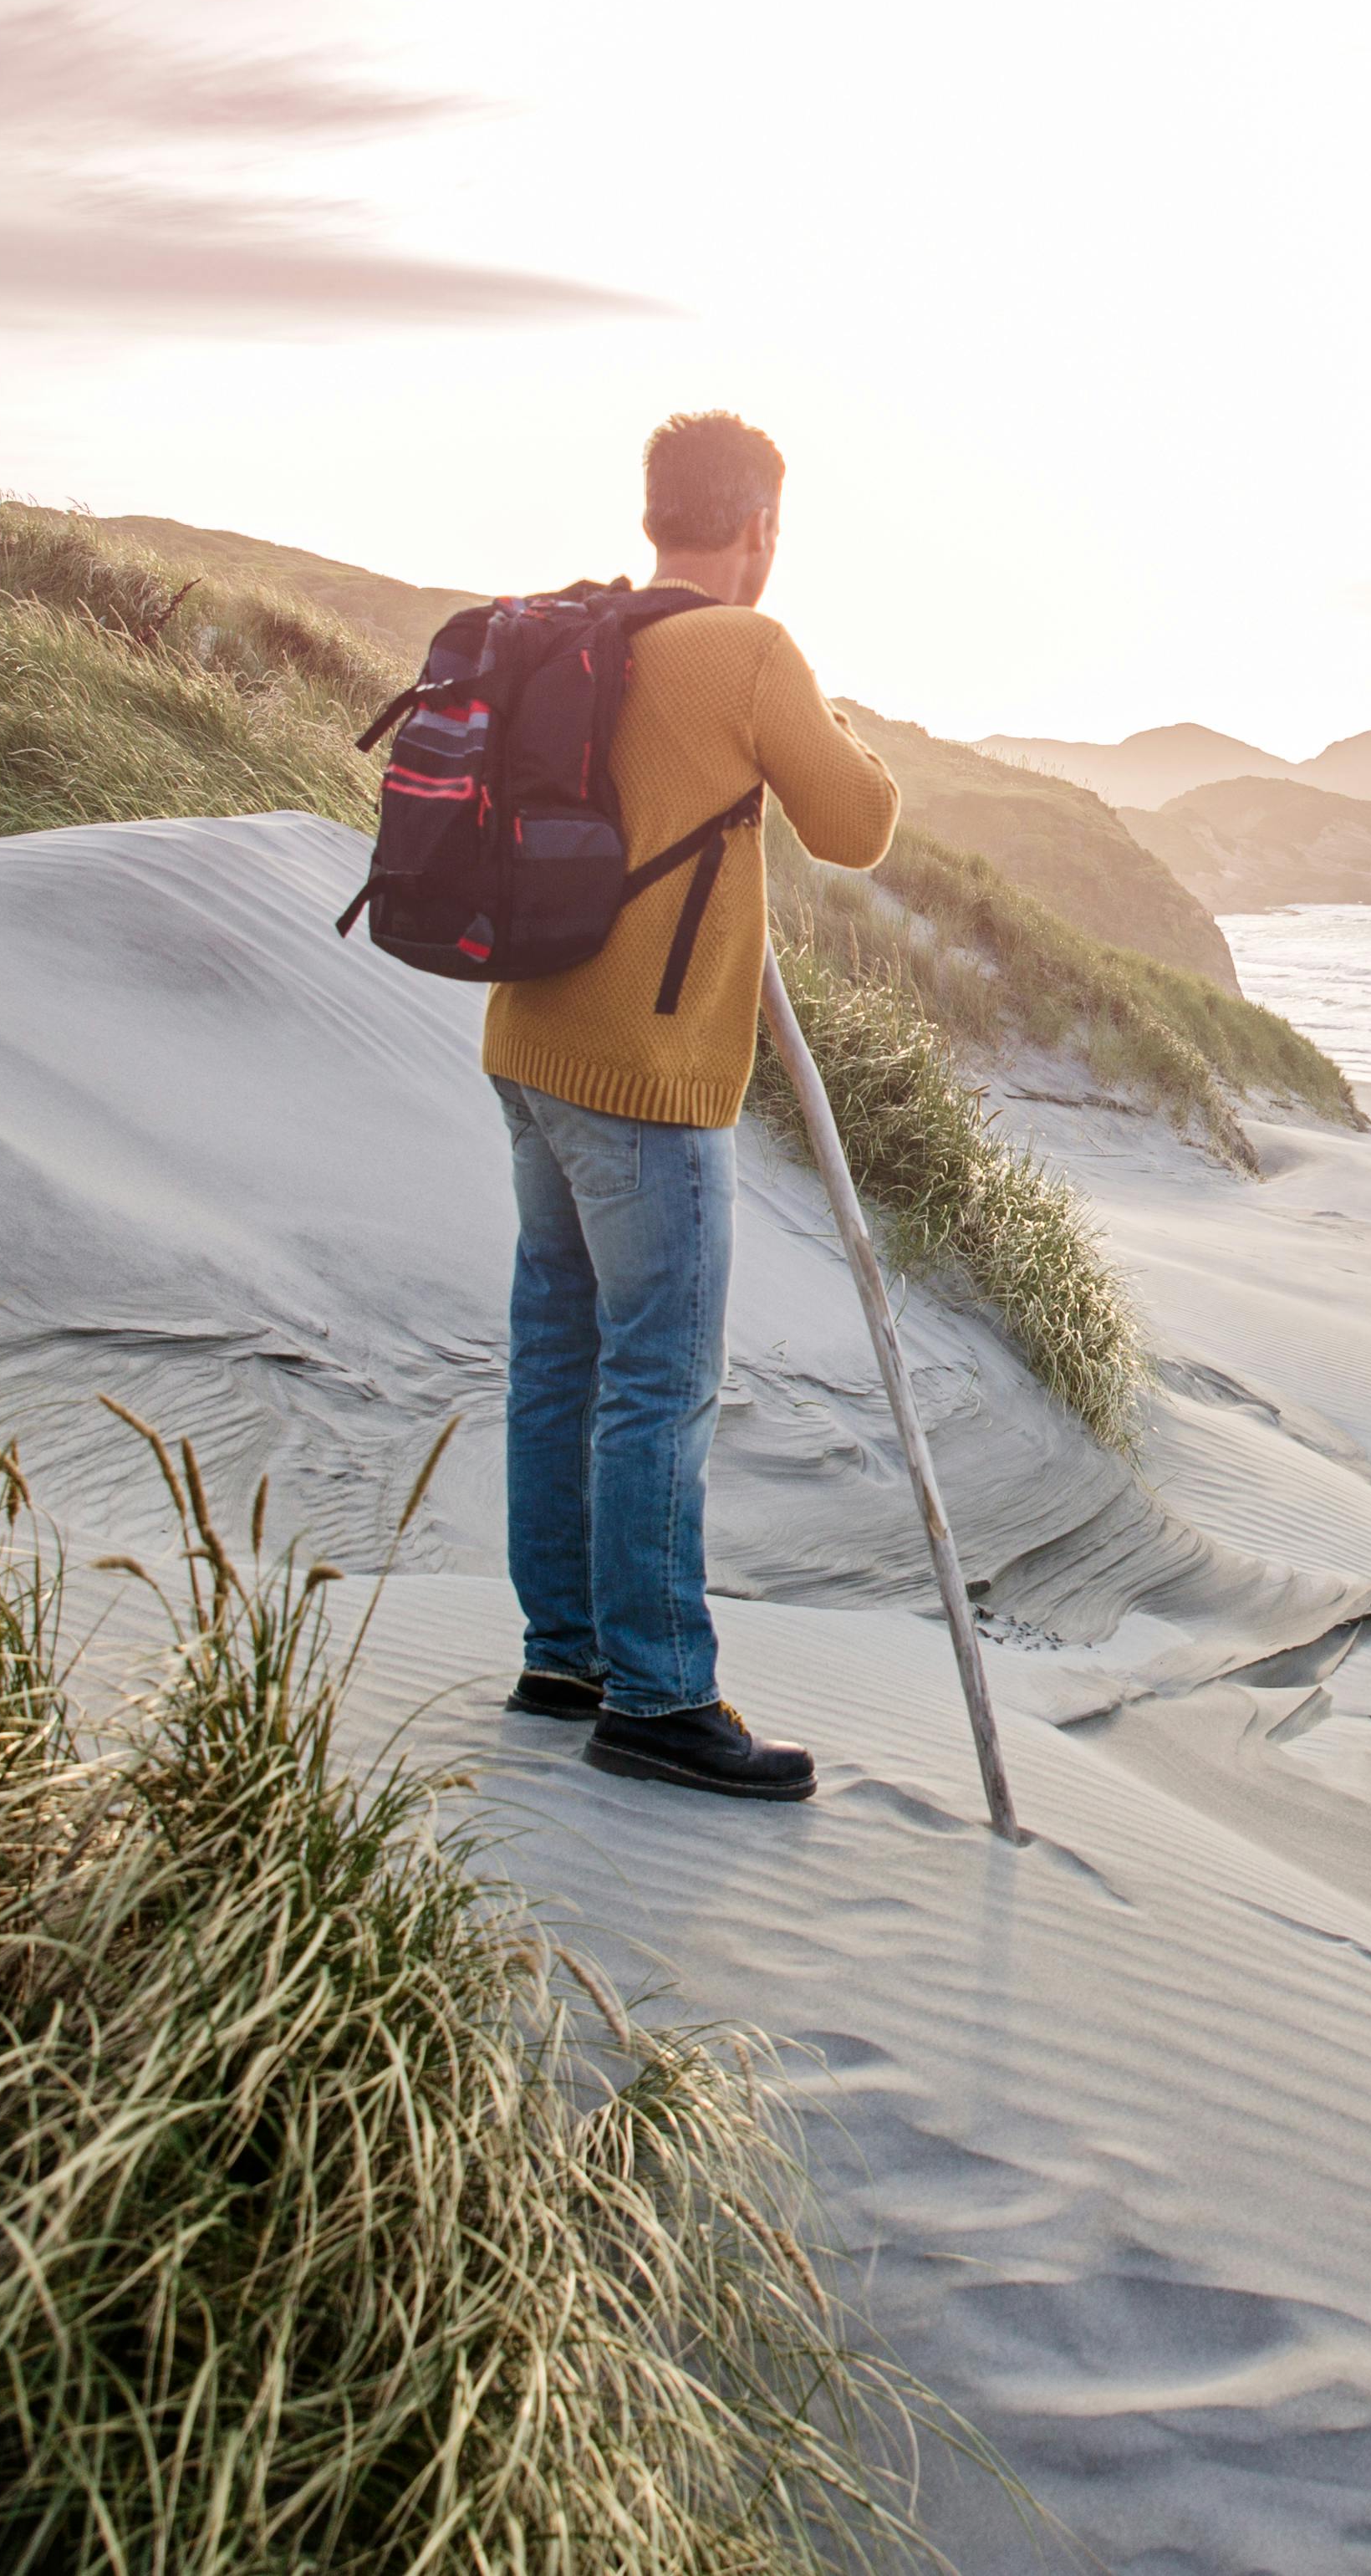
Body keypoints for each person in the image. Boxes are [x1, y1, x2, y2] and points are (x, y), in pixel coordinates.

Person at [492, 411, 898, 1800]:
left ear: (656, 511)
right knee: (658, 1378)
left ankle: (565, 1656)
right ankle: (660, 1692)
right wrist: (842, 731)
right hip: (646, 1076)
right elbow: (855, 824)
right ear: (760, 527)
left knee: (559, 1354)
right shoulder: (747, 650)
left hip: (529, 1042)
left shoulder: (581, 632)